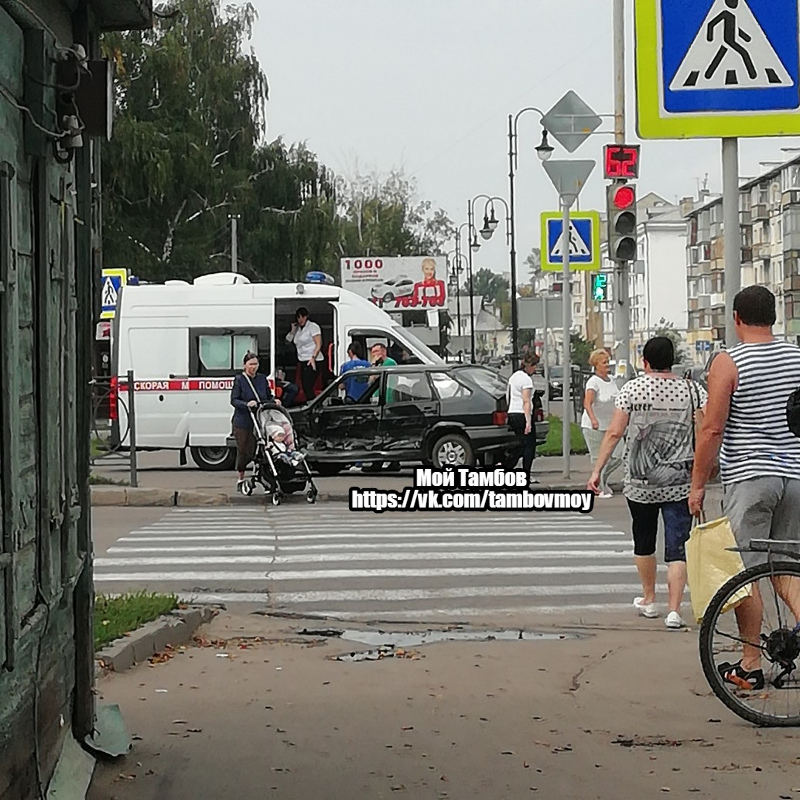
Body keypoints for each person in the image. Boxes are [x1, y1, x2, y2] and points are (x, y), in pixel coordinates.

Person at [690, 286, 800, 690]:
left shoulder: (729, 361)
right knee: (786, 569)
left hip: (751, 479)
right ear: (773, 316)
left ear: (736, 318)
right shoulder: (797, 357)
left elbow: (713, 427)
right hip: (795, 478)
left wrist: (698, 483)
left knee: (746, 572)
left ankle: (750, 664)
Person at [588, 336, 707, 629]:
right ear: (672, 360)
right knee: (678, 546)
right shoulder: (693, 390)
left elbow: (615, 432)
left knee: (643, 541)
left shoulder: (632, 389)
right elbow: (705, 430)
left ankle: (649, 599)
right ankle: (675, 610)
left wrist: (597, 471)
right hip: (680, 480)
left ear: (645, 362)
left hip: (640, 482)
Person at [230, 352, 277, 492]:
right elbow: (234, 400)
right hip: (243, 420)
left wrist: (274, 401)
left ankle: (266, 477)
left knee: (264, 449)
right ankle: (241, 477)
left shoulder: (262, 379)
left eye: (255, 364)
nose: (253, 367)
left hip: (260, 419)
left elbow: (268, 396)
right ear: (245, 365)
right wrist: (246, 404)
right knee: (245, 449)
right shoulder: (239, 380)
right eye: (251, 364)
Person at [581, 349, 624, 499]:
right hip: (595, 426)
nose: (607, 365)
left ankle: (601, 481)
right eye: (604, 362)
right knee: (598, 458)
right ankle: (599, 487)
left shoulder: (611, 380)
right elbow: (587, 403)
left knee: (618, 455)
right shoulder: (593, 382)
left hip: (610, 425)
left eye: (608, 362)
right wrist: (593, 419)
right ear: (596, 365)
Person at [506, 352, 540, 486]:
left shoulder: (514, 377)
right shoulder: (526, 380)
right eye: (535, 366)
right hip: (522, 414)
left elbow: (508, 395)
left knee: (521, 444)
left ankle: (507, 465)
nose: (535, 369)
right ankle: (525, 474)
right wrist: (528, 421)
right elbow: (526, 401)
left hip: (513, 413)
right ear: (530, 366)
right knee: (529, 446)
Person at [285, 307, 323, 403]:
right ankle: (312, 404)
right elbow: (287, 342)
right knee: (304, 385)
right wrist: (292, 331)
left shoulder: (313, 327)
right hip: (302, 360)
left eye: (303, 317)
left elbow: (318, 343)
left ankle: (313, 405)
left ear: (307, 317)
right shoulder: (297, 329)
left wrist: (313, 357)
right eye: (299, 317)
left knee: (308, 386)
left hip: (313, 359)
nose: (301, 320)